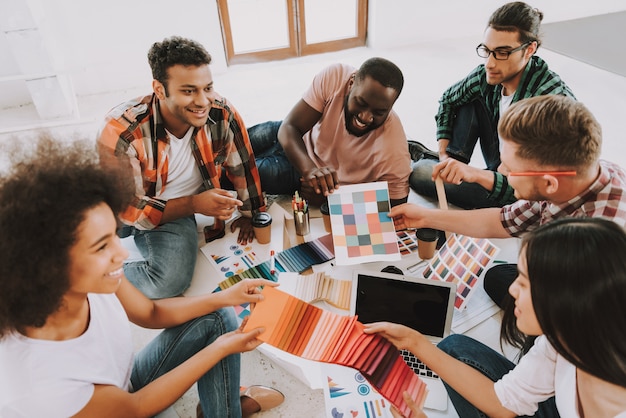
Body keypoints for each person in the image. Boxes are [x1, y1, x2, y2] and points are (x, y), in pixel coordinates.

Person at [0, 136, 284, 418]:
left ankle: (221, 410)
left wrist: (226, 296)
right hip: (124, 409)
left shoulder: (94, 282)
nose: (121, 253)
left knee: (219, 314)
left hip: (122, 391)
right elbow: (135, 410)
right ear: (47, 265)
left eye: (113, 236)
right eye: (101, 246)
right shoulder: (39, 383)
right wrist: (220, 349)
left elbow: (150, 311)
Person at [390, 95, 626, 346]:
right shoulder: (579, 173)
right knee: (496, 277)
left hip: (587, 324)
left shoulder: (596, 244)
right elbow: (502, 221)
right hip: (564, 285)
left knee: (460, 345)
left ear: (549, 183)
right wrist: (427, 216)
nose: (501, 174)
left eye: (510, 170)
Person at [365, 217, 626, 417]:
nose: (512, 289)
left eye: (523, 283)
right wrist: (414, 341)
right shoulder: (562, 338)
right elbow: (503, 403)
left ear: (566, 301)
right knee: (452, 347)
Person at [98, 36, 266, 299]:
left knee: (168, 282)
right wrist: (195, 205)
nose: (203, 101)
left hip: (172, 212)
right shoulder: (121, 130)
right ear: (160, 89)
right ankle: (92, 276)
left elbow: (242, 165)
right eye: (189, 91)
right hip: (127, 203)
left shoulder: (221, 112)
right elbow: (129, 209)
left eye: (207, 87)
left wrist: (250, 212)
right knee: (79, 234)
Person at [410, 1, 575, 210]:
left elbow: (530, 190)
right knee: (468, 97)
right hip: (500, 163)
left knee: (420, 173)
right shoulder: (487, 75)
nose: (490, 63)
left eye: (502, 52)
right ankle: (446, 161)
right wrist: (445, 156)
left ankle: (430, 160)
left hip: (516, 191)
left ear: (529, 49)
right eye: (487, 51)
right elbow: (448, 100)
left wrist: (477, 175)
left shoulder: (548, 107)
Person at [247, 57, 412, 207]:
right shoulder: (336, 76)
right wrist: (310, 170)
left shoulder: (394, 148)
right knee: (236, 140)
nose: (365, 117)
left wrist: (331, 199)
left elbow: (396, 208)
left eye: (379, 112)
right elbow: (289, 127)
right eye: (361, 102)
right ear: (351, 83)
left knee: (239, 176)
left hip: (299, 174)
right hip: (299, 138)